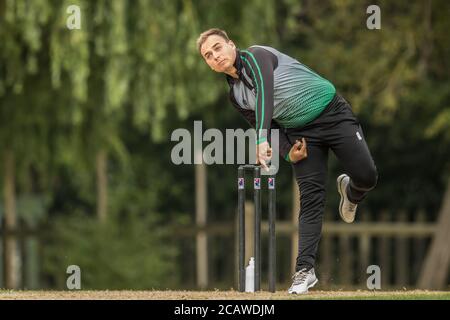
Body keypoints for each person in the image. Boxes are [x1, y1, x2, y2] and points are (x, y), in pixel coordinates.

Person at [197, 28, 378, 294]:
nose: (215, 56)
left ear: (231, 45)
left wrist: (260, 140)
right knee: (311, 198)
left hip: (332, 113)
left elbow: (266, 96)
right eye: (208, 55)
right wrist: (286, 151)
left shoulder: (257, 56)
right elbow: (267, 124)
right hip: (300, 135)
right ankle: (304, 271)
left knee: (368, 176)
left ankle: (351, 191)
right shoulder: (235, 96)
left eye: (217, 48)